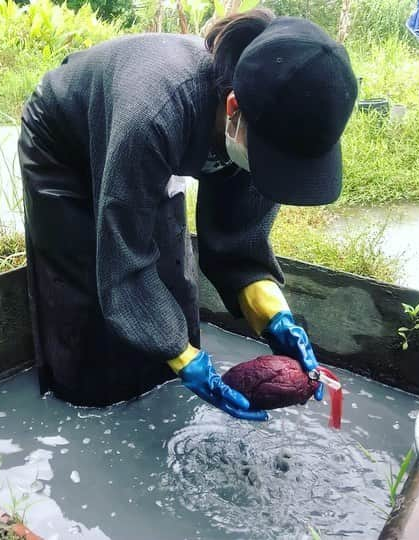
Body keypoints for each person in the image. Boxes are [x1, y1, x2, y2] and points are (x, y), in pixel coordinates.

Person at [18, 9, 357, 421]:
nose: (272, 169)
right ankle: (83, 406)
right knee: (88, 288)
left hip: (144, 144)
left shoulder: (266, 121)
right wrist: (180, 354)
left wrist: (274, 316)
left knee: (171, 278)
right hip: (64, 146)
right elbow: (125, 258)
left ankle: (160, 390)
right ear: (233, 106)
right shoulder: (156, 113)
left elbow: (238, 241)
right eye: (272, 159)